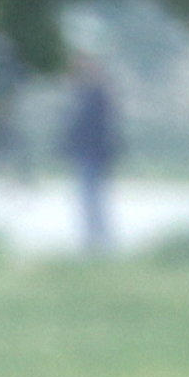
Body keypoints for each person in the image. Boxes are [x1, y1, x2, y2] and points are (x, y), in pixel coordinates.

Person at [61, 51, 120, 253]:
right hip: (85, 153)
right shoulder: (84, 94)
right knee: (89, 198)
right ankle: (95, 240)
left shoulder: (97, 95)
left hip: (94, 154)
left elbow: (99, 128)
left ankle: (99, 241)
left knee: (92, 198)